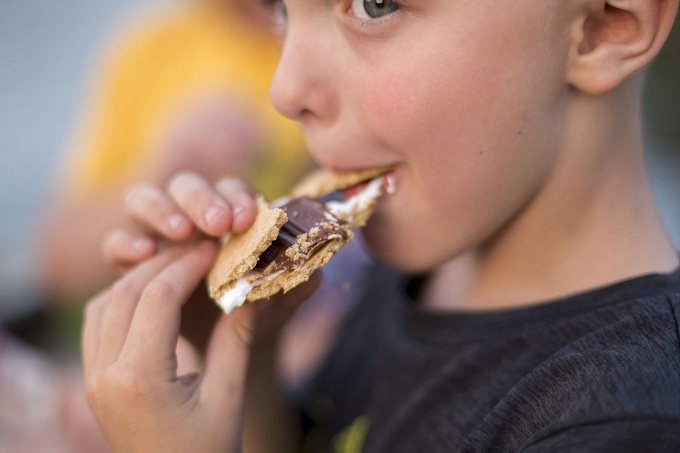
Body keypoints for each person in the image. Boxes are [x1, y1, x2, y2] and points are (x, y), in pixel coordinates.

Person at [82, 0, 680, 451]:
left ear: (605, 24)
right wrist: (243, 351)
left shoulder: (624, 423)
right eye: (282, 9)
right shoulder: (416, 271)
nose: (284, 89)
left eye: (375, 3)